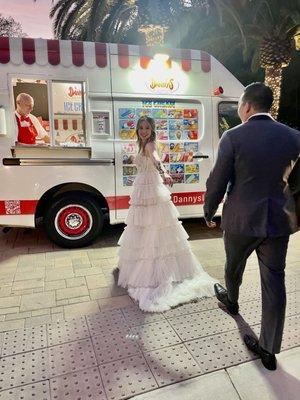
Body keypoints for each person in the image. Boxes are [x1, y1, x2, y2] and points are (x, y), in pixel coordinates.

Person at [204, 82, 300, 371]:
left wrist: (209, 210)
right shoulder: (295, 137)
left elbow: (218, 180)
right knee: (274, 284)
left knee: (233, 267)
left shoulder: (233, 137)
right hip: (278, 222)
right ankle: (269, 350)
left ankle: (231, 302)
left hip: (240, 222)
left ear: (246, 106)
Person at [117, 116, 216, 312]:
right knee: (144, 228)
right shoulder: (141, 144)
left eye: (147, 128)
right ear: (137, 130)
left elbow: (155, 159)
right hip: (144, 188)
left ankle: (157, 272)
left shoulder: (151, 145)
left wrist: (164, 172)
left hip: (152, 189)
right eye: (141, 128)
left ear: (152, 130)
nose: (144, 131)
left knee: (155, 228)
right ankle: (145, 266)